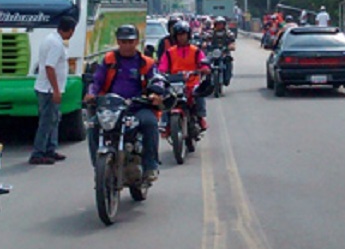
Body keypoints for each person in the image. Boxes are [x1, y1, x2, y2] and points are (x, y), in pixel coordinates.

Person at [85, 25, 161, 183]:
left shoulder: (145, 62)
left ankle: (150, 166)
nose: (127, 45)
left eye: (130, 41)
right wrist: (91, 93)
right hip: (111, 107)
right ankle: (98, 166)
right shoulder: (108, 60)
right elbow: (97, 80)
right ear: (118, 42)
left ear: (137, 42)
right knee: (92, 125)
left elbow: (156, 80)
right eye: (123, 41)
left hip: (138, 106)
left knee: (150, 123)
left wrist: (155, 93)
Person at [30, 16, 76, 165]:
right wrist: (55, 90)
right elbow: (50, 67)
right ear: (69, 30)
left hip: (48, 87)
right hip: (48, 89)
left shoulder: (51, 39)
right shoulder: (56, 44)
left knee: (54, 119)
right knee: (46, 122)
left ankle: (50, 149)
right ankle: (38, 152)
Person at [158, 20, 211, 131]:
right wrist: (161, 73)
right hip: (174, 84)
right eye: (179, 35)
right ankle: (165, 123)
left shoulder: (196, 51)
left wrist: (204, 69)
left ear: (188, 35)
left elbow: (203, 62)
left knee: (199, 95)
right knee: (165, 99)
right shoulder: (169, 52)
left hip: (192, 83)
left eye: (184, 35)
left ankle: (201, 117)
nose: (181, 38)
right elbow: (162, 67)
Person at [206, 16, 236, 85]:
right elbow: (206, 39)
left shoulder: (228, 33)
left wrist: (231, 46)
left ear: (224, 25)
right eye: (218, 24)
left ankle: (227, 77)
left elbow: (232, 41)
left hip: (224, 52)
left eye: (221, 24)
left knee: (228, 61)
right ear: (215, 24)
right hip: (213, 52)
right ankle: (207, 80)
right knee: (206, 63)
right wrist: (205, 44)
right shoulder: (211, 32)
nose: (220, 25)